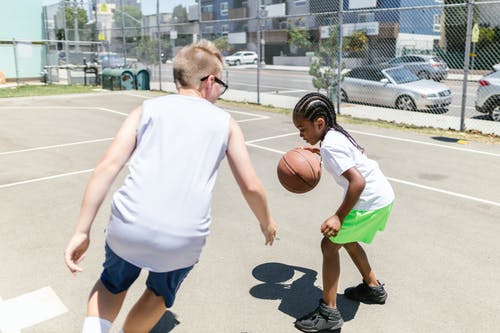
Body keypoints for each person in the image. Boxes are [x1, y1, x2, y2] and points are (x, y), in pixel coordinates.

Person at [64, 40, 277, 333]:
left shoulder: (147, 109)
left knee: (112, 284)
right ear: (209, 81)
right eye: (221, 85)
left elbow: (107, 167)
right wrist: (267, 223)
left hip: (130, 224)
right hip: (183, 237)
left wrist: (81, 231)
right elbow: (251, 186)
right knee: (159, 293)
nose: (220, 92)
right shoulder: (225, 122)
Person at [292, 93, 394, 332]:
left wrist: (338, 216)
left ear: (319, 123)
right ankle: (373, 288)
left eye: (302, 128)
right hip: (383, 197)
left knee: (328, 246)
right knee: (347, 241)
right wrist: (319, 153)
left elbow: (357, 182)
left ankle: (329, 313)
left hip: (368, 201)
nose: (300, 134)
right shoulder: (335, 135)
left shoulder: (330, 146)